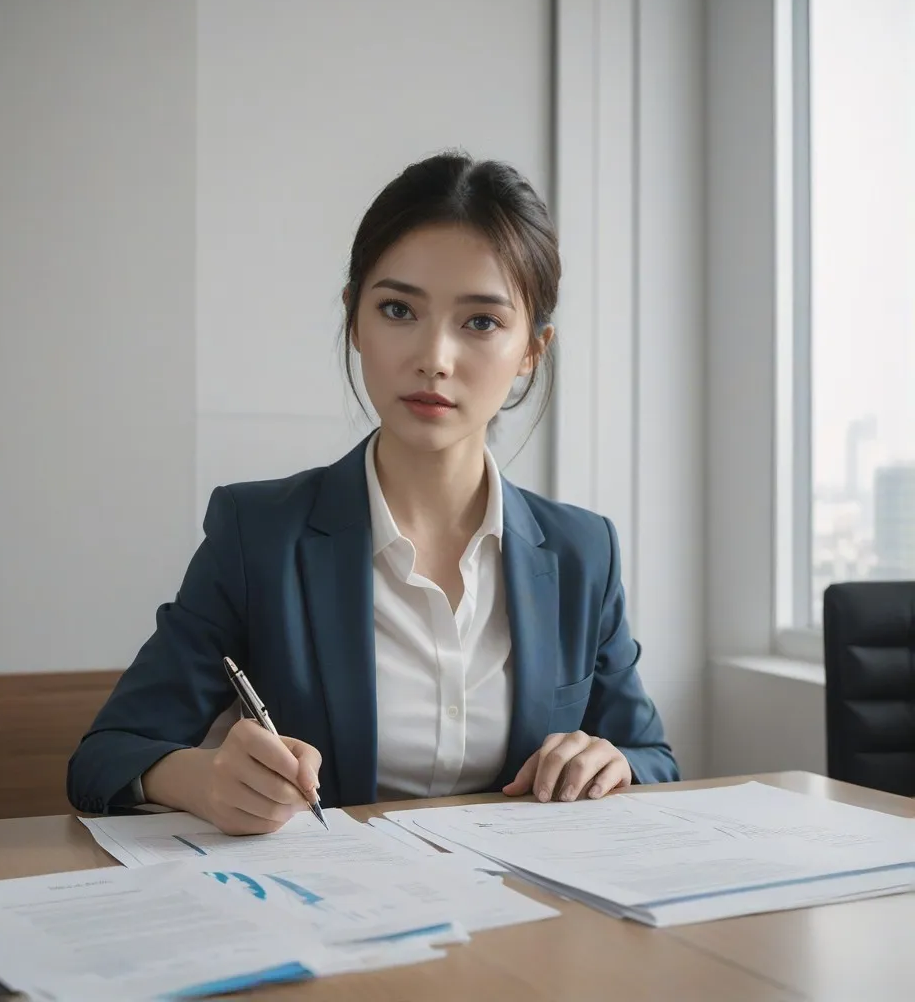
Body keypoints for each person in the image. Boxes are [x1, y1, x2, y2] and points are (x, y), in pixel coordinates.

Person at [67, 151, 679, 835]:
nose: (434, 358)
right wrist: (201, 779)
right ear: (355, 321)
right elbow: (104, 758)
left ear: (532, 350)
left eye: (480, 322)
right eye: (398, 309)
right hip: (333, 922)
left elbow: (652, 757)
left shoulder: (581, 551)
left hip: (529, 919)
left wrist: (611, 761)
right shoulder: (259, 534)